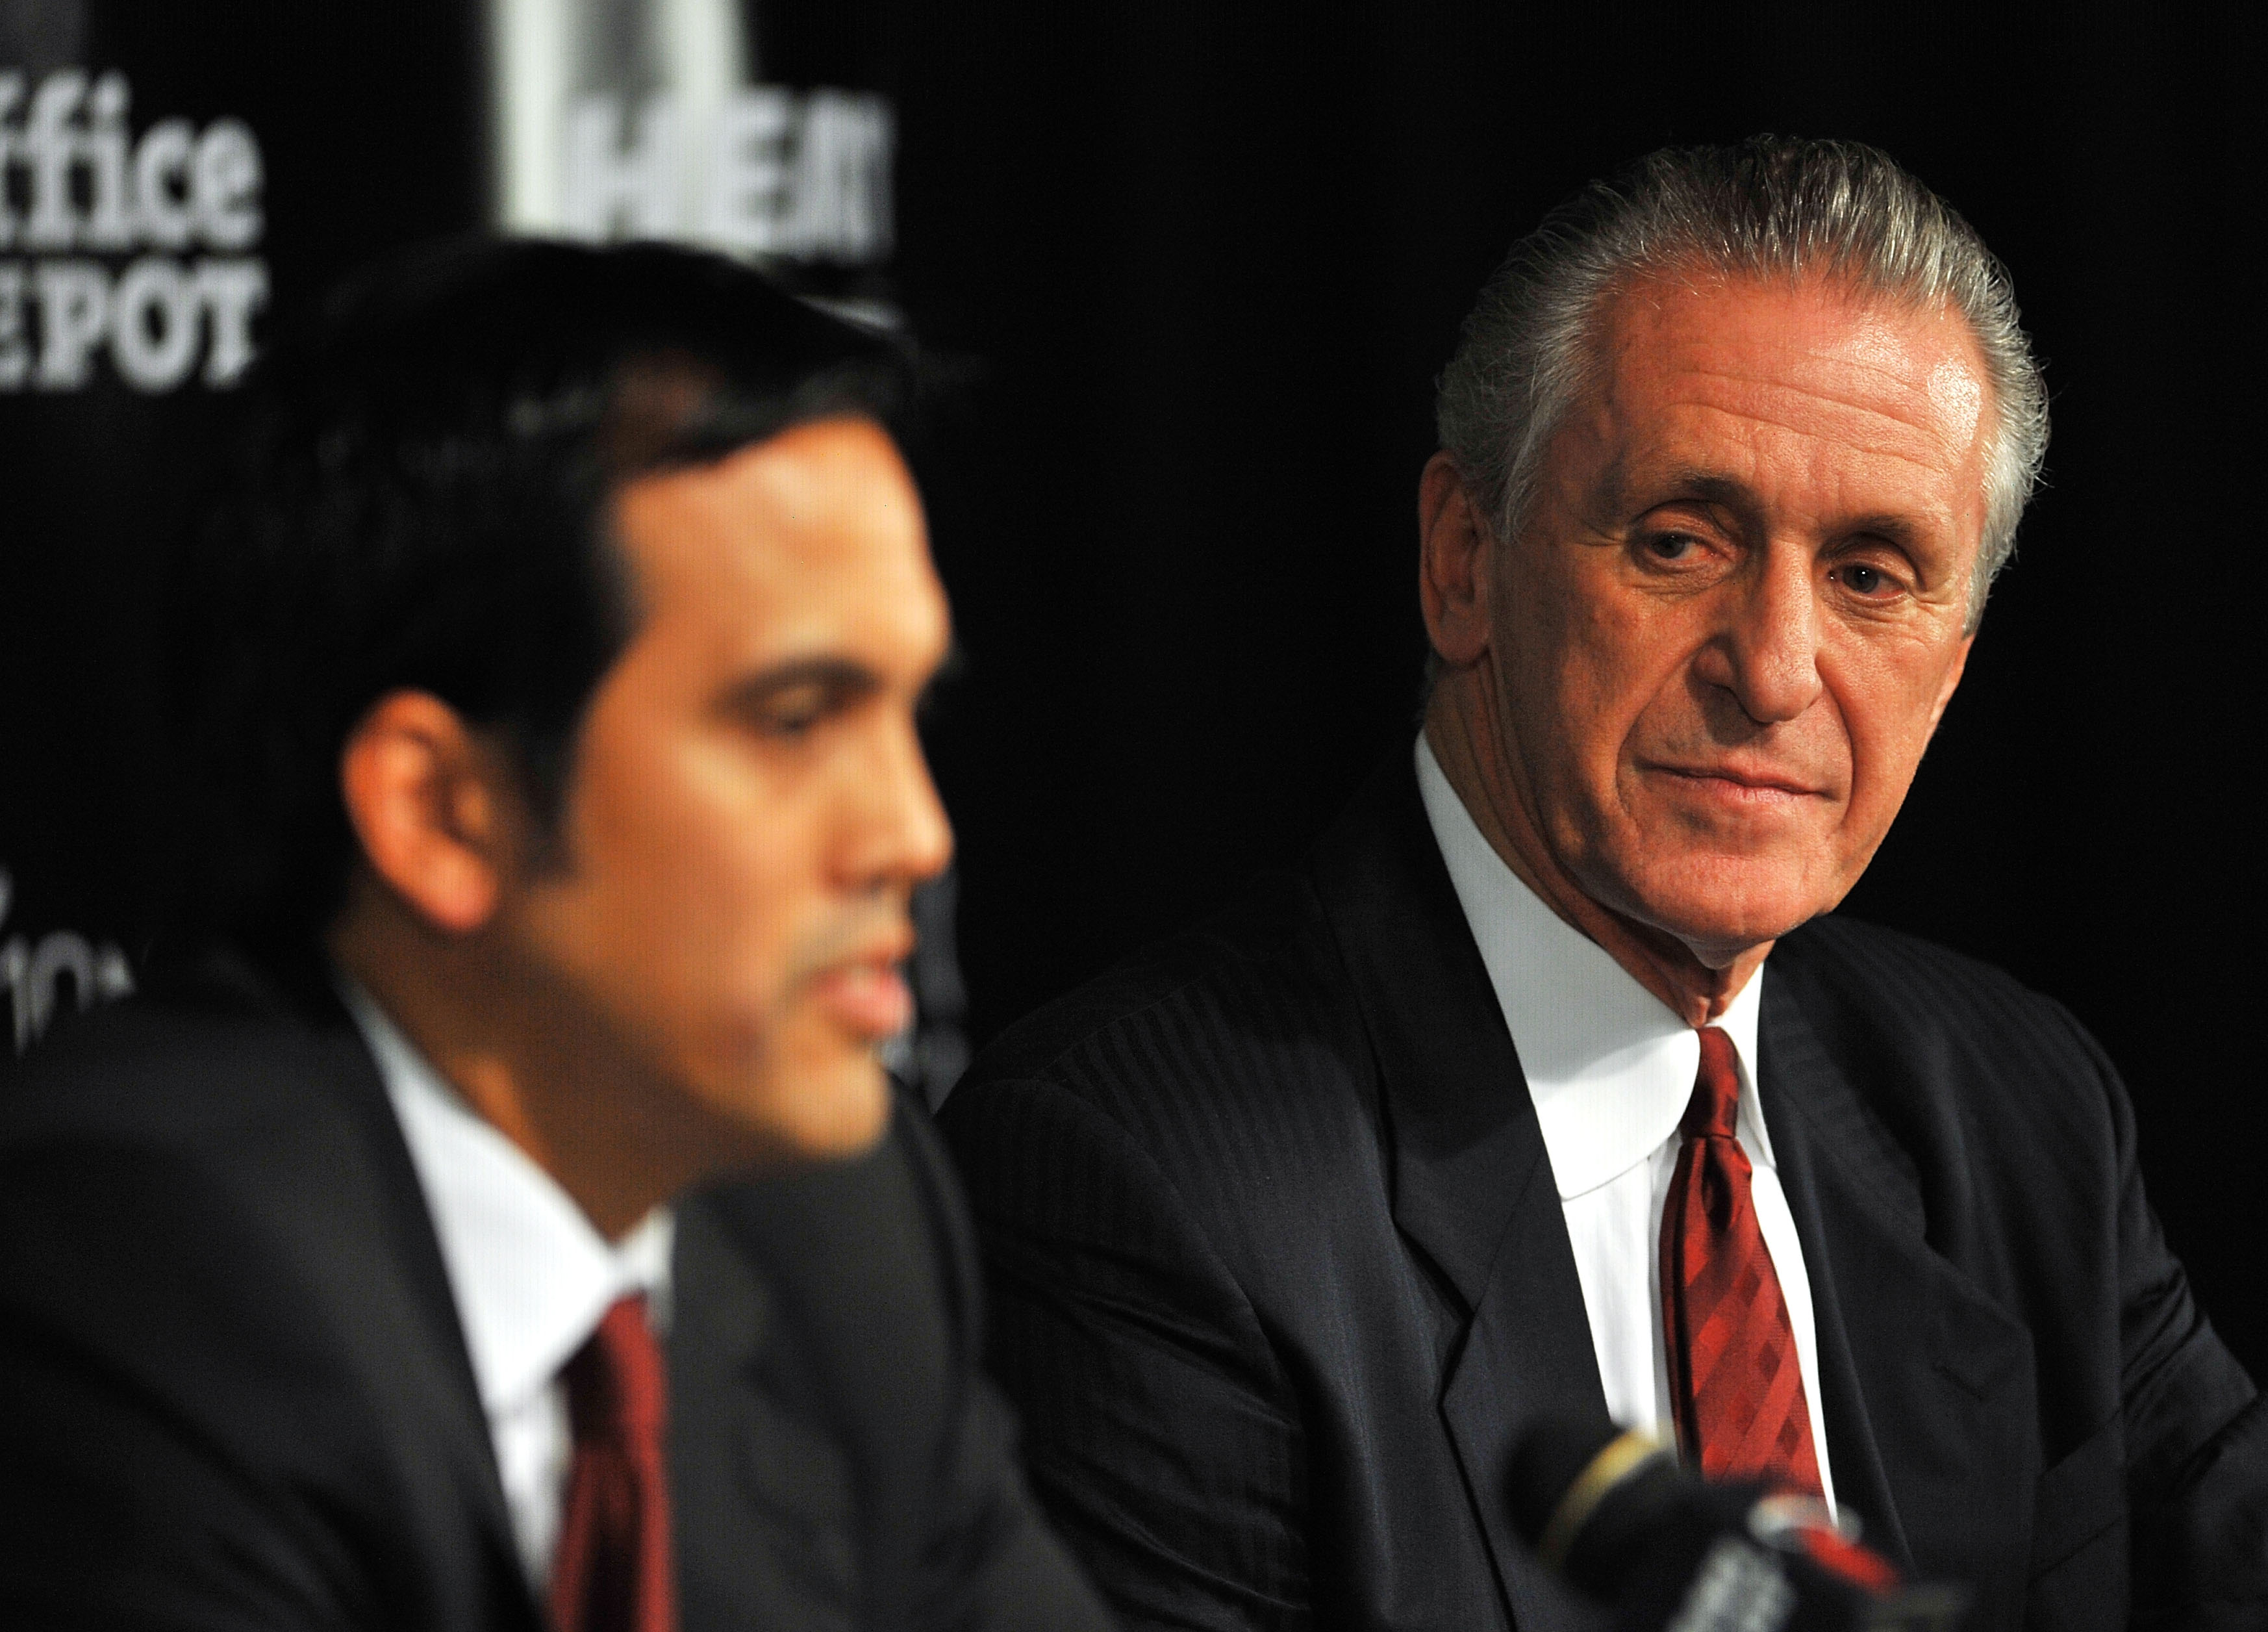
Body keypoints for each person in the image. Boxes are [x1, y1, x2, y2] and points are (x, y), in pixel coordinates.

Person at [937, 138, 2268, 1632]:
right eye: (1680, 541)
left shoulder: (2023, 1112)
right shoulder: (1146, 1177)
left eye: (1874, 575)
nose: (1773, 670)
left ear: (1954, 663)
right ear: (1463, 560)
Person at [0, 238, 1111, 1632]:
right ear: (443, 812)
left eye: (909, 712)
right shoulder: (137, 1262)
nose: (915, 831)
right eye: (795, 717)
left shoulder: (841, 1224)